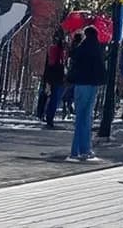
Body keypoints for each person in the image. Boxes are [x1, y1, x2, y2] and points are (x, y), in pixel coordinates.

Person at [65, 26, 106, 161]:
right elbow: (101, 68)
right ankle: (85, 149)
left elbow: (73, 59)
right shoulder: (98, 49)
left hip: (80, 85)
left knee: (79, 117)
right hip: (92, 85)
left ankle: (75, 150)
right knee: (87, 118)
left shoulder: (81, 48)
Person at [42, 34, 67, 129]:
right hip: (57, 77)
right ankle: (49, 117)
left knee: (52, 98)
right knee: (55, 99)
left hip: (51, 76)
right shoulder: (59, 51)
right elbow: (60, 64)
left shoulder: (52, 50)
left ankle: (48, 116)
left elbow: (48, 64)